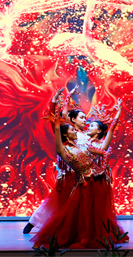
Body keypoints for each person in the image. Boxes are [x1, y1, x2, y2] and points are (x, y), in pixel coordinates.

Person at [31, 108, 128, 249]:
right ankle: (74, 236)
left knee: (92, 214)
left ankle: (94, 235)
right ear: (66, 134)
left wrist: (101, 170)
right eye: (72, 129)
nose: (75, 130)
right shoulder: (64, 150)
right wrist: (56, 118)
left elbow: (105, 149)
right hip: (82, 184)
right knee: (76, 214)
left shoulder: (86, 146)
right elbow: (57, 130)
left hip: (94, 182)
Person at [23, 87, 89, 234]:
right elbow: (55, 119)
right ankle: (34, 221)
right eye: (81, 118)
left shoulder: (86, 135)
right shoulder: (67, 132)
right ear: (73, 120)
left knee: (78, 202)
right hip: (67, 173)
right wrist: (56, 100)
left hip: (81, 173)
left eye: (85, 118)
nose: (84, 120)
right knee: (58, 200)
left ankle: (74, 227)